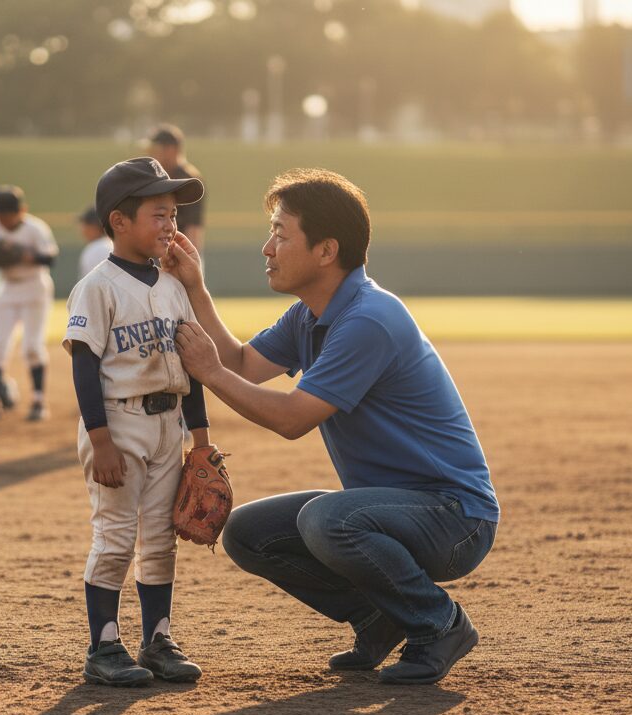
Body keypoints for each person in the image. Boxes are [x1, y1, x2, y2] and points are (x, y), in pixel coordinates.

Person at [165, 168, 499, 685]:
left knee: (327, 520)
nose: (267, 248)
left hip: (455, 518)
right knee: (249, 534)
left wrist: (207, 373)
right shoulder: (310, 314)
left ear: (326, 251)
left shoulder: (367, 318)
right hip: (394, 508)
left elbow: (292, 418)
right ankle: (378, 616)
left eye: (280, 233)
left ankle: (439, 622)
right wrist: (195, 288)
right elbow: (242, 363)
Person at [64, 157, 210, 687]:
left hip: (169, 423)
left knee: (161, 538)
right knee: (116, 538)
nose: (170, 226)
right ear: (119, 221)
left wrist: (202, 440)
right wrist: (100, 440)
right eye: (159, 214)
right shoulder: (96, 287)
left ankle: (158, 640)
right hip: (118, 425)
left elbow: (193, 364)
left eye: (173, 215)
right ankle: (103, 647)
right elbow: (84, 365)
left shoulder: (174, 286)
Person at [0, 185, 59, 422]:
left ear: (21, 211)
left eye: (5, 213)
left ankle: (39, 400)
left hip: (34, 287)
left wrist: (27, 256)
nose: (1, 218)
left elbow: (51, 258)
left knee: (31, 346)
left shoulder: (35, 228)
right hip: (8, 287)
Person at [147, 124, 206, 253]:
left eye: (156, 149)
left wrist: (189, 259)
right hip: (159, 252)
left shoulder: (189, 179)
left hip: (178, 253)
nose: (152, 154)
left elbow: (193, 227)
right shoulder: (157, 176)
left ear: (171, 149)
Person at [77, 206, 111, 279]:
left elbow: (93, 284)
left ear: (94, 227)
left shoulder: (95, 249)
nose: (82, 230)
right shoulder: (113, 244)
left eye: (85, 225)